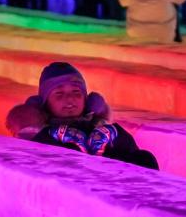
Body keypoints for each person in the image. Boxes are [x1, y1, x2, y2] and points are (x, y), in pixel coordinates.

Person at [10, 62, 158, 170]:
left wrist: (112, 143)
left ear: (87, 99)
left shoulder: (107, 131)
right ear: (45, 102)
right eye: (59, 94)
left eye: (76, 92)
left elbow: (142, 164)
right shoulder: (40, 138)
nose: (70, 99)